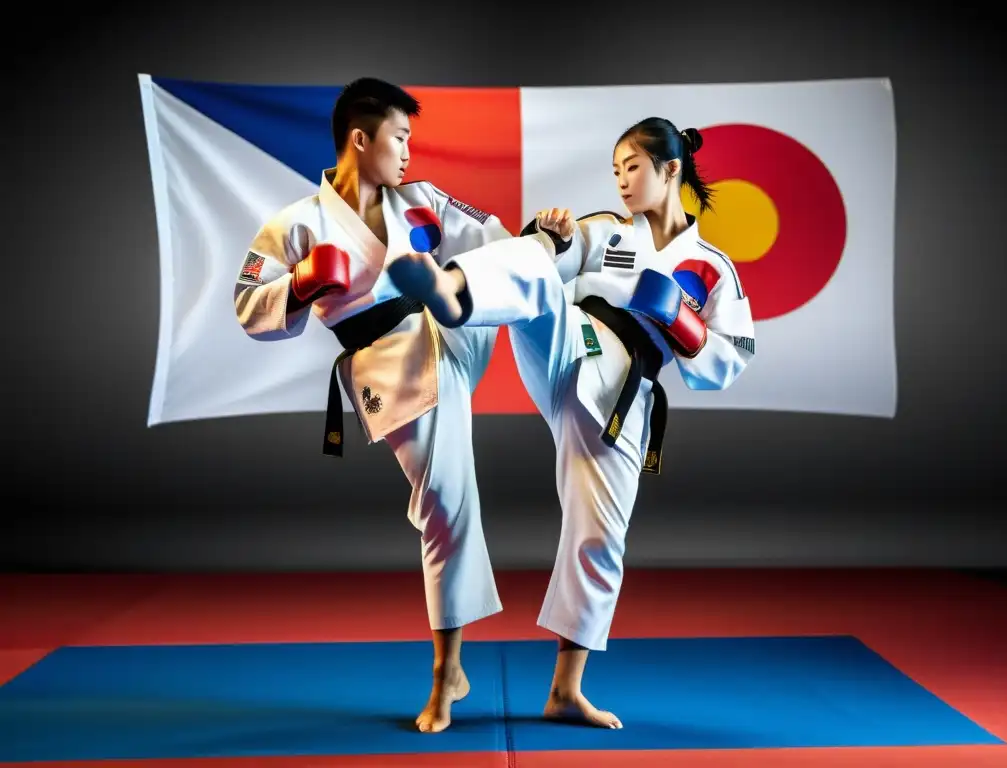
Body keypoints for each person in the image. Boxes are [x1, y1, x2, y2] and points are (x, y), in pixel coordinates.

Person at [387, 116, 756, 729]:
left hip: (622, 396)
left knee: (600, 539)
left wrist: (684, 326)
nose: (621, 182)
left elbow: (730, 359)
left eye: (632, 167)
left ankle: (565, 691)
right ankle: (454, 291)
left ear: (671, 170)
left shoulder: (712, 265)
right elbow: (549, 265)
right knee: (531, 265)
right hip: (570, 341)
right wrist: (548, 234)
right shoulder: (606, 230)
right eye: (615, 171)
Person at [233, 77, 522, 733]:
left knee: (517, 273)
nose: (408, 153)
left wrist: (540, 238)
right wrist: (305, 282)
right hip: (386, 366)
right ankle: (449, 665)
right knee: (443, 501)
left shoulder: (418, 201)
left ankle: (567, 294)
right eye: (400, 138)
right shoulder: (297, 225)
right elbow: (249, 304)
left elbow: (491, 235)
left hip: (453, 330)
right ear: (360, 139)